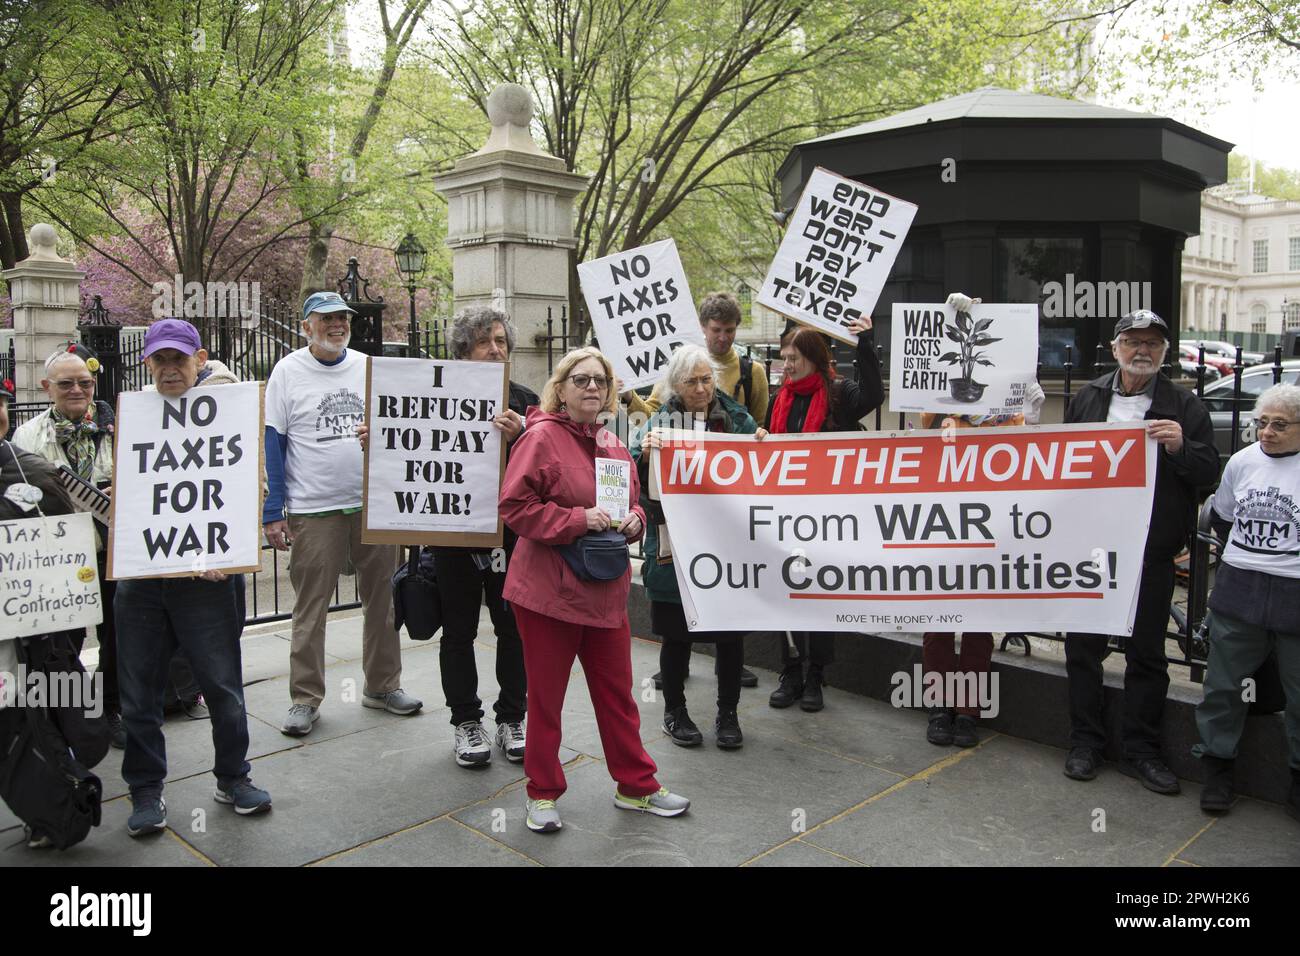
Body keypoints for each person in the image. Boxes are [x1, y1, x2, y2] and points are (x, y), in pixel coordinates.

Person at [499, 346, 690, 833]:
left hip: (604, 594)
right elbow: (514, 507)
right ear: (560, 390)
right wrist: (574, 519)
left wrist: (635, 521)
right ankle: (541, 793)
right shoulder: (540, 438)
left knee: (617, 695)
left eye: (600, 381)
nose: (591, 388)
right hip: (548, 595)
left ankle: (636, 786)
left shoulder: (614, 444)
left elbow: (636, 504)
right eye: (580, 380)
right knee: (545, 698)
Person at [357, 307, 535, 768]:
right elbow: (408, 445)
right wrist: (379, 441)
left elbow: (545, 471)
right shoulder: (431, 393)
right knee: (458, 632)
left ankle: (513, 717)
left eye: (500, 341)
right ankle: (466, 722)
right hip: (454, 538)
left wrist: (523, 438)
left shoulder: (527, 403)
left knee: (513, 630)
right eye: (483, 342)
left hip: (511, 539)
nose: (495, 349)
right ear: (462, 352)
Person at [114, 320, 271, 836]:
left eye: (178, 359)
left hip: (207, 579)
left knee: (223, 687)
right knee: (138, 693)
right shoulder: (132, 415)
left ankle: (234, 776)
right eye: (159, 360)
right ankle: (145, 790)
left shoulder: (231, 412)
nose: (168, 369)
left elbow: (254, 486)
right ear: (148, 364)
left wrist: (233, 544)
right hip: (141, 579)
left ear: (199, 360)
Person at [1062, 309, 1218, 794]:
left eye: (1153, 343)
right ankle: (1085, 743)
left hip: (1149, 552)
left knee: (1147, 654)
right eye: (1133, 342)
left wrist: (1179, 448)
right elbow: (1062, 461)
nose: (1142, 350)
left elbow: (1209, 471)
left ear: (1165, 352)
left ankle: (1142, 750)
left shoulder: (1184, 406)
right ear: (1115, 349)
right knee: (1082, 647)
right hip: (1092, 549)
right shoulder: (1090, 396)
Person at [264, 291, 421, 737]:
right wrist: (273, 509)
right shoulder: (288, 371)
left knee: (385, 601)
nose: (338, 325)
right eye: (327, 319)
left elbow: (398, 427)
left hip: (373, 504)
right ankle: (304, 699)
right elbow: (274, 441)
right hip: (314, 509)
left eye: (343, 319)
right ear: (306, 326)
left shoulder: (367, 366)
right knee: (310, 607)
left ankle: (383, 685)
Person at [918, 292, 1046, 748]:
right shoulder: (943, 392)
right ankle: (938, 706)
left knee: (977, 620)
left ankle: (967, 710)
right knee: (937, 618)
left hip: (992, 520)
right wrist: (956, 312)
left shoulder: (1020, 391)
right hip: (943, 516)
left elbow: (1030, 439)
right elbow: (920, 433)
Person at [626, 291, 768, 690]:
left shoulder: (735, 419)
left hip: (724, 539)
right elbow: (635, 471)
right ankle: (675, 705)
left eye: (707, 380)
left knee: (729, 629)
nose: (703, 389)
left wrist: (758, 440)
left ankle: (728, 713)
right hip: (674, 541)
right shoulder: (661, 424)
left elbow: (758, 466)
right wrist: (645, 453)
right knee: (675, 627)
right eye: (693, 382)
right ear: (677, 385)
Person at [766, 316, 885, 712]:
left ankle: (816, 674)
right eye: (784, 357)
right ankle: (791, 670)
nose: (788, 364)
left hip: (828, 516)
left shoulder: (838, 393)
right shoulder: (778, 399)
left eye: (795, 357)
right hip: (786, 515)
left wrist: (865, 342)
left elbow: (872, 395)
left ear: (815, 358)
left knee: (818, 595)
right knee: (787, 594)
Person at [1193, 383, 1300, 821]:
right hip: (1240, 587)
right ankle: (1217, 768)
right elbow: (1222, 517)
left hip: (1294, 590)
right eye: (1262, 422)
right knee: (1223, 685)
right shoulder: (1241, 461)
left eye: (1279, 424)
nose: (1267, 432)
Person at [12, 344, 127, 745]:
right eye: (66, 384)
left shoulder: (121, 428)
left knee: (117, 636)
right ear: (47, 387)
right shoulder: (27, 436)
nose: (77, 389)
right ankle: (71, 717)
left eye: (85, 382)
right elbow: (19, 496)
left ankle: (111, 707)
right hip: (60, 558)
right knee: (65, 642)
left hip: (113, 550)